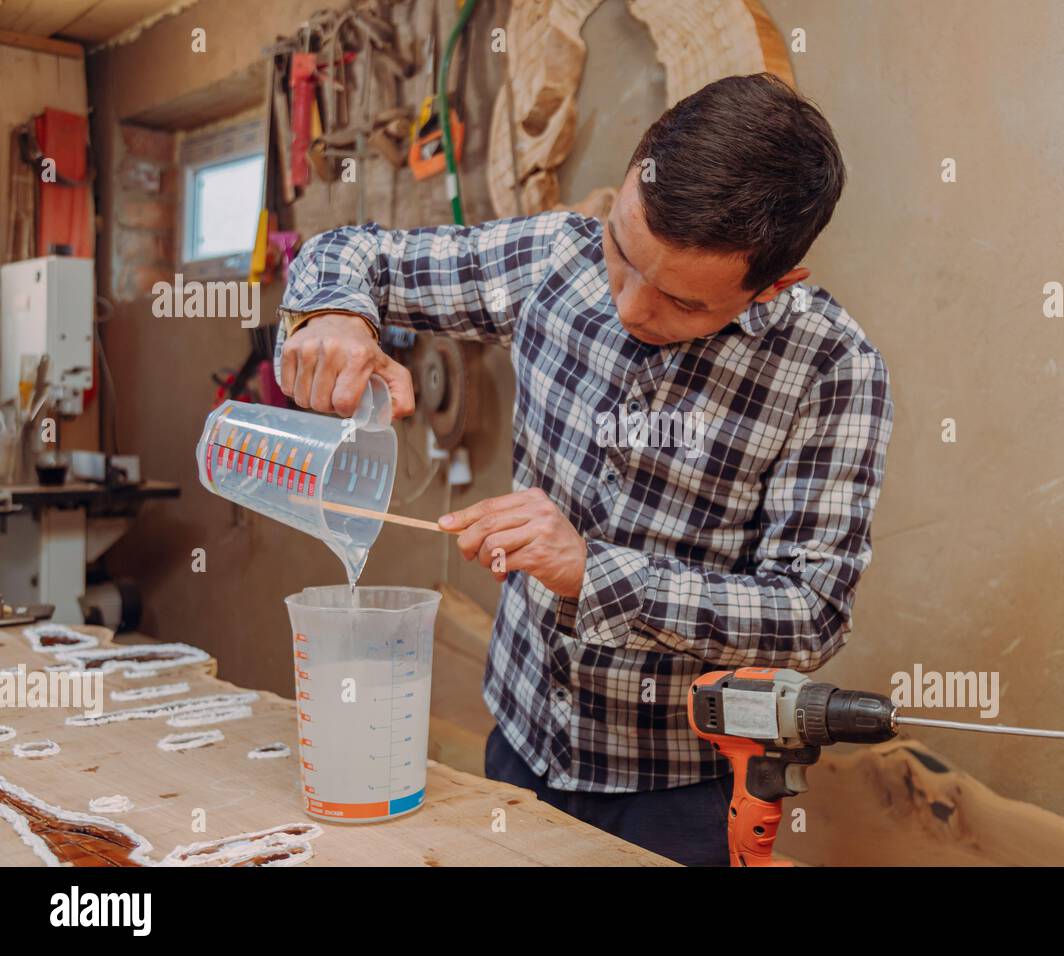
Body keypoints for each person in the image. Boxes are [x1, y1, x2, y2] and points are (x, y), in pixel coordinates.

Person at [275, 72, 893, 866]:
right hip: (523, 742)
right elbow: (348, 251)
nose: (632, 306)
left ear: (774, 285)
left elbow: (811, 613)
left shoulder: (832, 367)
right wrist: (339, 313)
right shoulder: (553, 258)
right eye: (623, 254)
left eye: (683, 303)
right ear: (631, 182)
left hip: (684, 791)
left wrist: (594, 573)